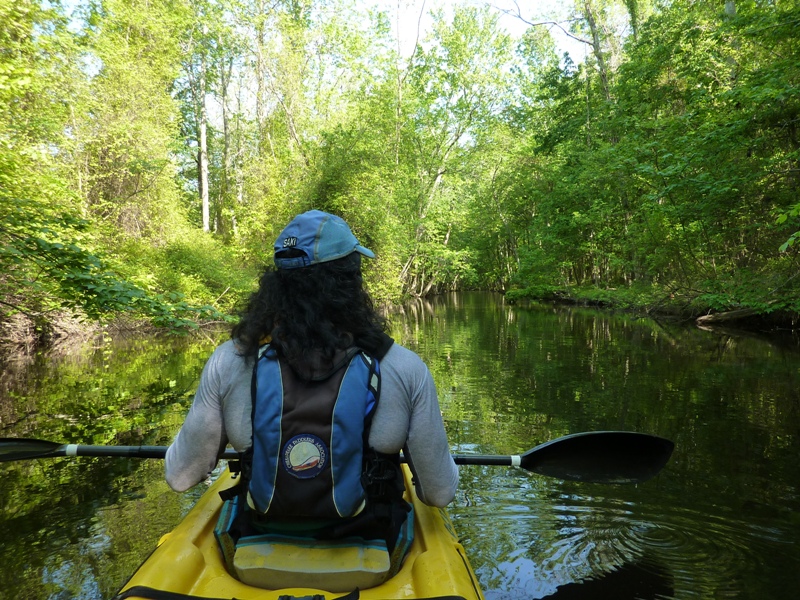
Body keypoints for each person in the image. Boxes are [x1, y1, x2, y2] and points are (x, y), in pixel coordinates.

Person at [165, 209, 458, 513]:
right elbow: (439, 492)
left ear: (276, 285)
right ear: (350, 282)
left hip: (260, 538)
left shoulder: (231, 360)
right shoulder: (402, 367)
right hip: (365, 538)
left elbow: (179, 475)